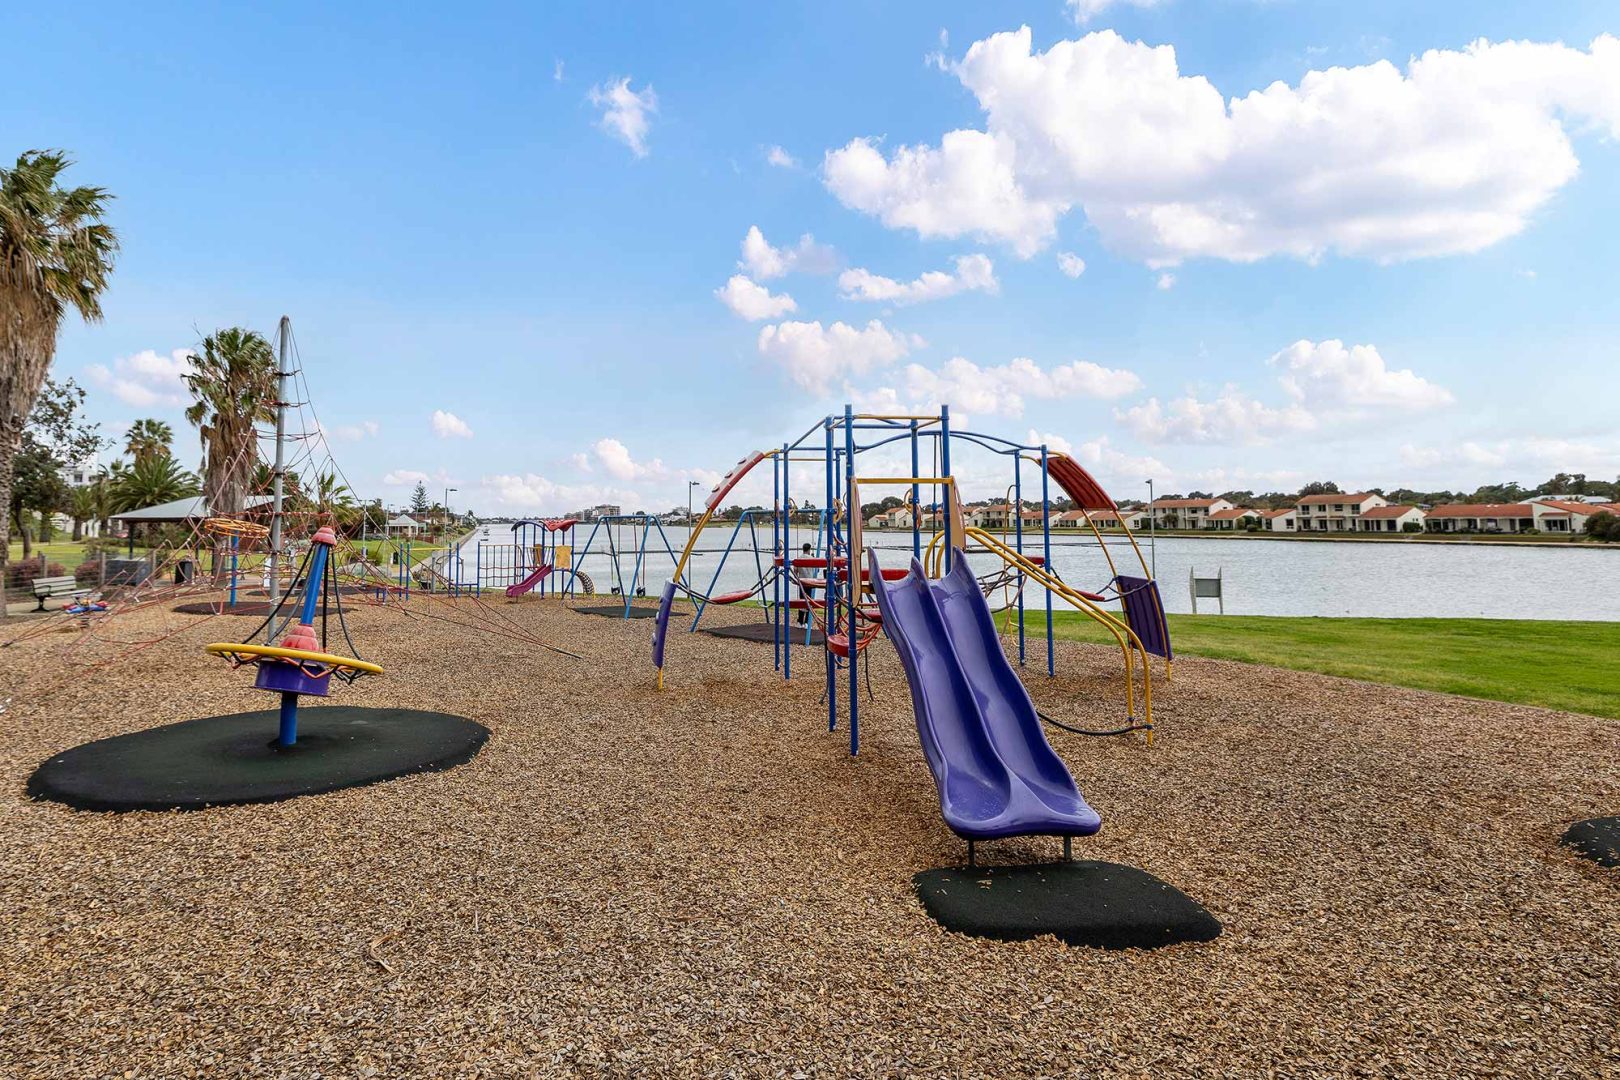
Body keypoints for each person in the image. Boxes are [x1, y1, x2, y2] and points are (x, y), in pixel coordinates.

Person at [796, 542, 813, 626]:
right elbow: (816, 570)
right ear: (809, 550)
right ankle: (806, 622)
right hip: (810, 582)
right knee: (809, 601)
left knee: (802, 601)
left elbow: (795, 570)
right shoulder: (812, 559)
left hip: (802, 582)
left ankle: (800, 621)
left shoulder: (799, 558)